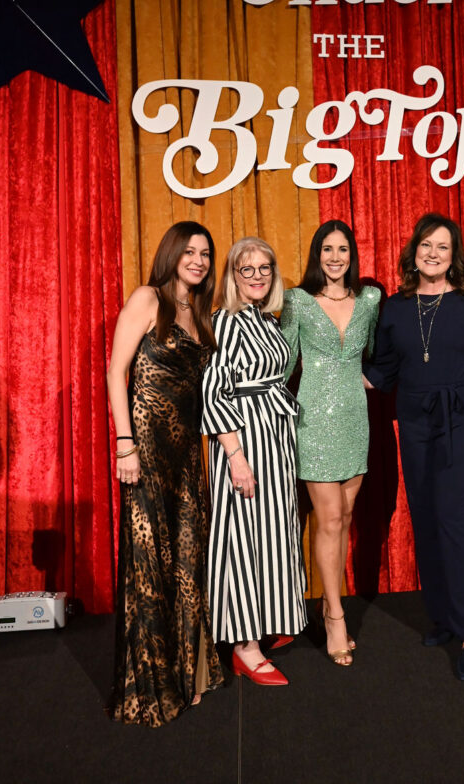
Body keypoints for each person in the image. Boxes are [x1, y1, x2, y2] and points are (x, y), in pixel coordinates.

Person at [363, 212, 464, 681]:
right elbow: (382, 370)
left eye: (443, 246)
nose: (433, 253)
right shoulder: (395, 308)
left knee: (456, 520)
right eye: (426, 245)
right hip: (415, 421)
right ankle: (444, 617)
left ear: (454, 256)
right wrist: (324, 380)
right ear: (413, 251)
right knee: (426, 517)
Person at [106, 221, 223, 726]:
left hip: (188, 455)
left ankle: (188, 673)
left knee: (187, 561)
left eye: (205, 253)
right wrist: (124, 444)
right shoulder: (147, 298)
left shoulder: (201, 312)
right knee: (150, 565)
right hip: (147, 450)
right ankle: (154, 685)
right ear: (172, 253)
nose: (197, 260)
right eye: (189, 251)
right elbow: (116, 371)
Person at [202, 237, 307, 686]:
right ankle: (245, 648)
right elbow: (213, 392)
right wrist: (235, 456)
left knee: (273, 532)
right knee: (242, 538)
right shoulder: (225, 321)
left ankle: (268, 619)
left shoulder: (265, 319)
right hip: (244, 438)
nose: (258, 276)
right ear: (232, 275)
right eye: (247, 269)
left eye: (265, 268)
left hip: (275, 436)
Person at [281, 220, 380, 666]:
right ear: (316, 254)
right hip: (313, 421)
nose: (335, 257)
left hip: (355, 419)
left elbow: (377, 353)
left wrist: (373, 379)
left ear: (351, 254)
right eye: (327, 249)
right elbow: (283, 362)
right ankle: (336, 617)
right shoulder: (298, 301)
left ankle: (328, 603)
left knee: (345, 516)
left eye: (342, 249)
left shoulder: (370, 300)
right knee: (330, 518)